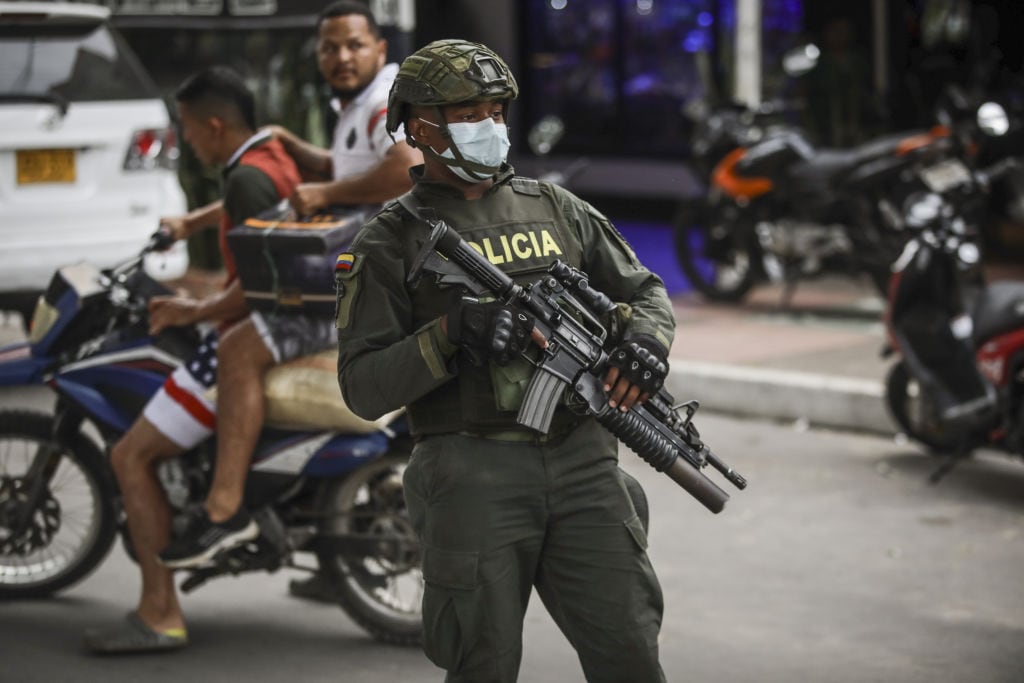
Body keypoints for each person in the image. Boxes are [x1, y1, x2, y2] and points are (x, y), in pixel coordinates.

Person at [335, 40, 675, 682]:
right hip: (472, 472)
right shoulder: (387, 242)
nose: (489, 127)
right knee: (481, 664)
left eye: (496, 111)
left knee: (630, 652)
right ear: (418, 124)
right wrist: (450, 333)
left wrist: (646, 345)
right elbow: (361, 387)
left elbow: (645, 291)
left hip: (584, 464)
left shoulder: (557, 209)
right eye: (468, 113)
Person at [157, 0, 423, 603]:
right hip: (365, 274)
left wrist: (324, 188)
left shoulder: (386, 100)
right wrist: (303, 152)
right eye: (329, 46)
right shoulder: (361, 106)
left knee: (237, 347)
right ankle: (322, 540)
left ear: (379, 49)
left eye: (354, 44)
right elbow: (356, 168)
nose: (341, 56)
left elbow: (405, 168)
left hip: (372, 291)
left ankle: (225, 509)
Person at [82, 65, 335, 654]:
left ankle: (161, 608)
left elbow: (255, 288)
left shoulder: (247, 176)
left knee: (130, 455)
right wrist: (191, 224)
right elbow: (246, 216)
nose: (187, 141)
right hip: (289, 317)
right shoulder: (268, 153)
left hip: (264, 324)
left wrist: (188, 309)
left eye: (189, 130)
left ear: (216, 126)